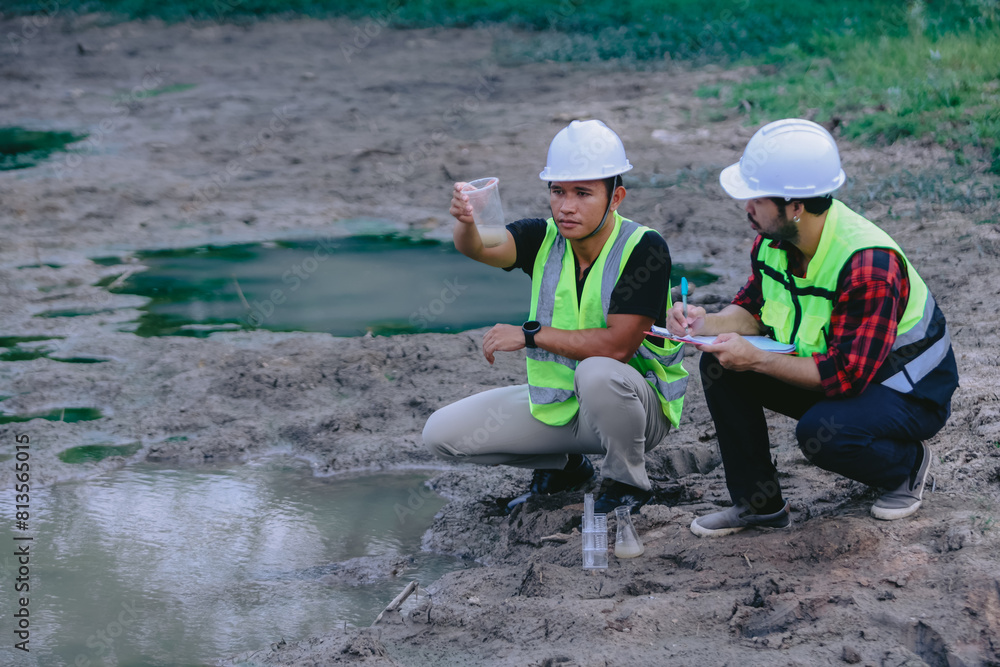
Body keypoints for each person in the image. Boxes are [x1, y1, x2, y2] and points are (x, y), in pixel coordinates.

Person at [666, 118, 959, 537]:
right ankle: (758, 505)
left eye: (757, 199)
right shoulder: (773, 240)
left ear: (795, 206)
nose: (747, 208)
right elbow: (752, 309)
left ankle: (906, 466)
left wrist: (758, 359)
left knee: (823, 433)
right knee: (720, 364)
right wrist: (703, 322)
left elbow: (846, 375)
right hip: (845, 375)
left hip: (907, 394)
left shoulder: (868, 264)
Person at [423, 119, 688, 513]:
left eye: (583, 193)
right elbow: (481, 247)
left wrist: (531, 335)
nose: (566, 206)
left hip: (636, 411)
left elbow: (617, 347)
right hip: (562, 409)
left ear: (616, 198)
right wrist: (466, 223)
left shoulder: (643, 247)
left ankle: (627, 482)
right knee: (441, 434)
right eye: (558, 191)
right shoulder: (543, 238)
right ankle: (566, 469)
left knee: (597, 372)